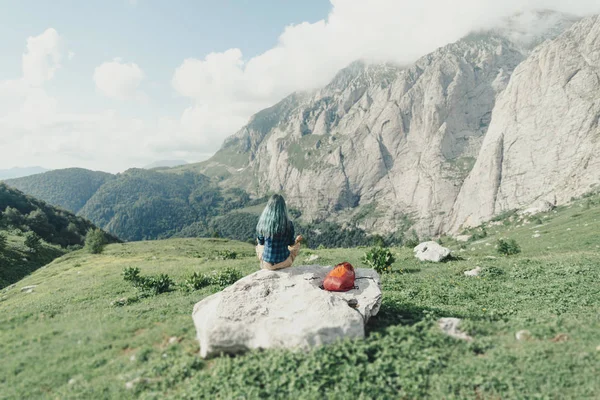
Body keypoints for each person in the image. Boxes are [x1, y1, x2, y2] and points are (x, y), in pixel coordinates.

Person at [255, 194, 303, 270]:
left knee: (259, 245)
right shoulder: (288, 224)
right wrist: (297, 240)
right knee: (296, 245)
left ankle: (265, 265)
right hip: (284, 263)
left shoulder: (264, 223)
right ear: (283, 208)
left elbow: (261, 242)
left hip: (267, 265)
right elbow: (291, 243)